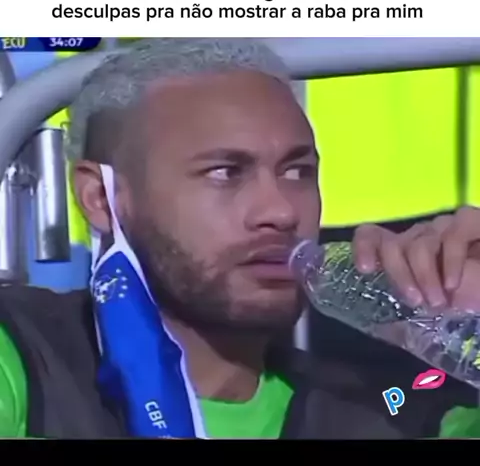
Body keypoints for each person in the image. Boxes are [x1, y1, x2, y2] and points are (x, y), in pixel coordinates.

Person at [0, 37, 479, 439]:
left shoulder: (395, 415)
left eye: (297, 171)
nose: (281, 211)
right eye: (225, 172)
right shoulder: (26, 356)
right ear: (100, 198)